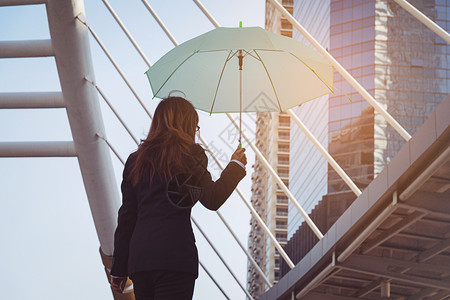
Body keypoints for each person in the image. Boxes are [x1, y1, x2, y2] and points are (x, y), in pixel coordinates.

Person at [109, 96, 247, 299]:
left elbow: (127, 217)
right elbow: (212, 199)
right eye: (195, 127)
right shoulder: (191, 155)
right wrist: (236, 166)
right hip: (175, 258)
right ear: (187, 125)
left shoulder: (135, 161)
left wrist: (119, 268)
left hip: (141, 261)